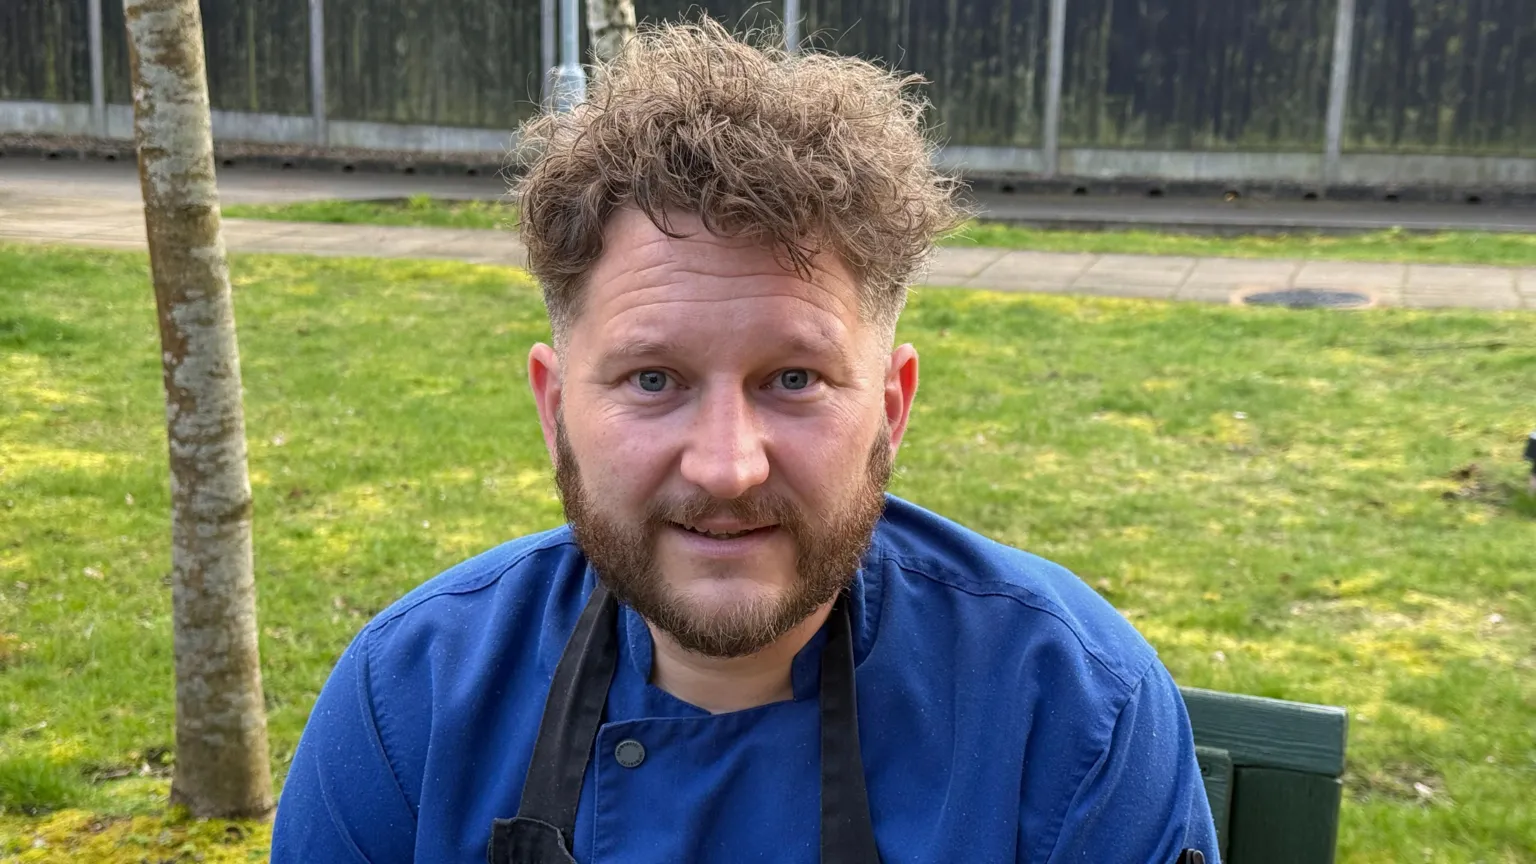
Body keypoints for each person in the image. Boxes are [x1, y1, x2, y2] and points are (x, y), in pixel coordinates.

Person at [271, 19, 1221, 864]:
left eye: (794, 380)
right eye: (654, 380)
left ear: (892, 408)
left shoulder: (1073, 715)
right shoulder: (409, 704)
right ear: (554, 406)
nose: (727, 467)